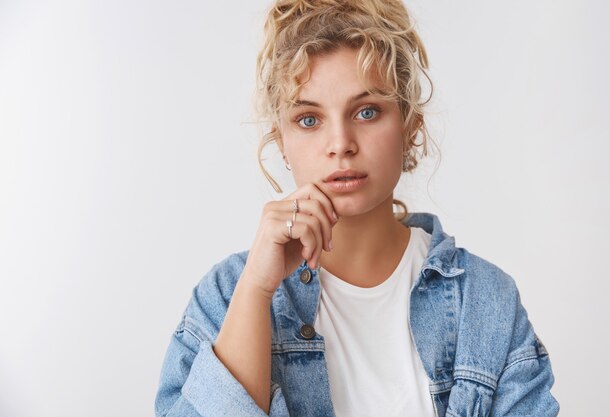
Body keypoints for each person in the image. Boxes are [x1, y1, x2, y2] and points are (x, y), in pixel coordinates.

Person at [154, 1, 559, 416]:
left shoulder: (485, 300)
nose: (341, 142)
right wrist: (257, 290)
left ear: (409, 128)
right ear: (282, 144)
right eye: (309, 120)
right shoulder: (226, 297)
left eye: (367, 112)